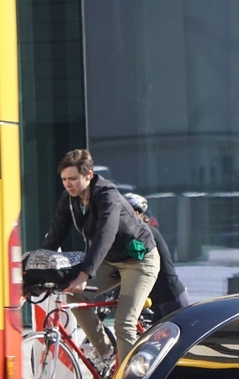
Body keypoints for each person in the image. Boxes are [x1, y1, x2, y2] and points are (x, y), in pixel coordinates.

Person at [40, 149, 160, 366]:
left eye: (73, 179)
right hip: (110, 261)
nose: (68, 184)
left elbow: (106, 234)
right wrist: (36, 269)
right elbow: (56, 233)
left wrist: (84, 274)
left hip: (139, 261)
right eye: (64, 180)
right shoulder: (69, 199)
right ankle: (106, 352)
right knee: (74, 295)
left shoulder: (107, 194)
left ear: (89, 175)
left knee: (124, 324)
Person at [124, 192, 190, 317]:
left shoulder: (146, 233)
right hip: (155, 299)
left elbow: (134, 258)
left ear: (137, 213)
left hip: (171, 298)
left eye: (123, 212)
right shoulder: (134, 233)